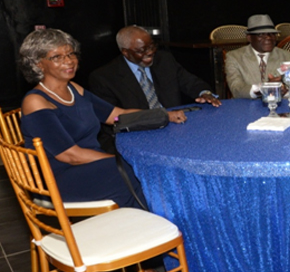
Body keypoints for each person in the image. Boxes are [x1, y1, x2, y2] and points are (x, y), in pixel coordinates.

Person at [18, 29, 188, 209]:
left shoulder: (74, 89)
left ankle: (159, 218)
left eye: (70, 54)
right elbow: (70, 155)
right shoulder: (36, 101)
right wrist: (117, 160)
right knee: (135, 171)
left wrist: (163, 115)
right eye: (57, 57)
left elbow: (116, 114)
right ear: (38, 64)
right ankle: (157, 220)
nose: (69, 61)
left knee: (144, 170)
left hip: (91, 165)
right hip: (60, 178)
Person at [89, 25, 220, 151]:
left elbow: (190, 82)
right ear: (125, 52)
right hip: (137, 136)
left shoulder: (164, 60)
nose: (150, 52)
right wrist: (161, 118)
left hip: (176, 129)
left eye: (152, 46)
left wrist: (204, 93)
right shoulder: (104, 78)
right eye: (142, 50)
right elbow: (115, 122)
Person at [224, 14, 290, 99]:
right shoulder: (234, 57)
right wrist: (263, 88)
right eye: (260, 34)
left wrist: (286, 91)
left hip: (278, 104)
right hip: (246, 105)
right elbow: (236, 89)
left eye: (272, 34)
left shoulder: (288, 57)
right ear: (249, 38)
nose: (268, 37)